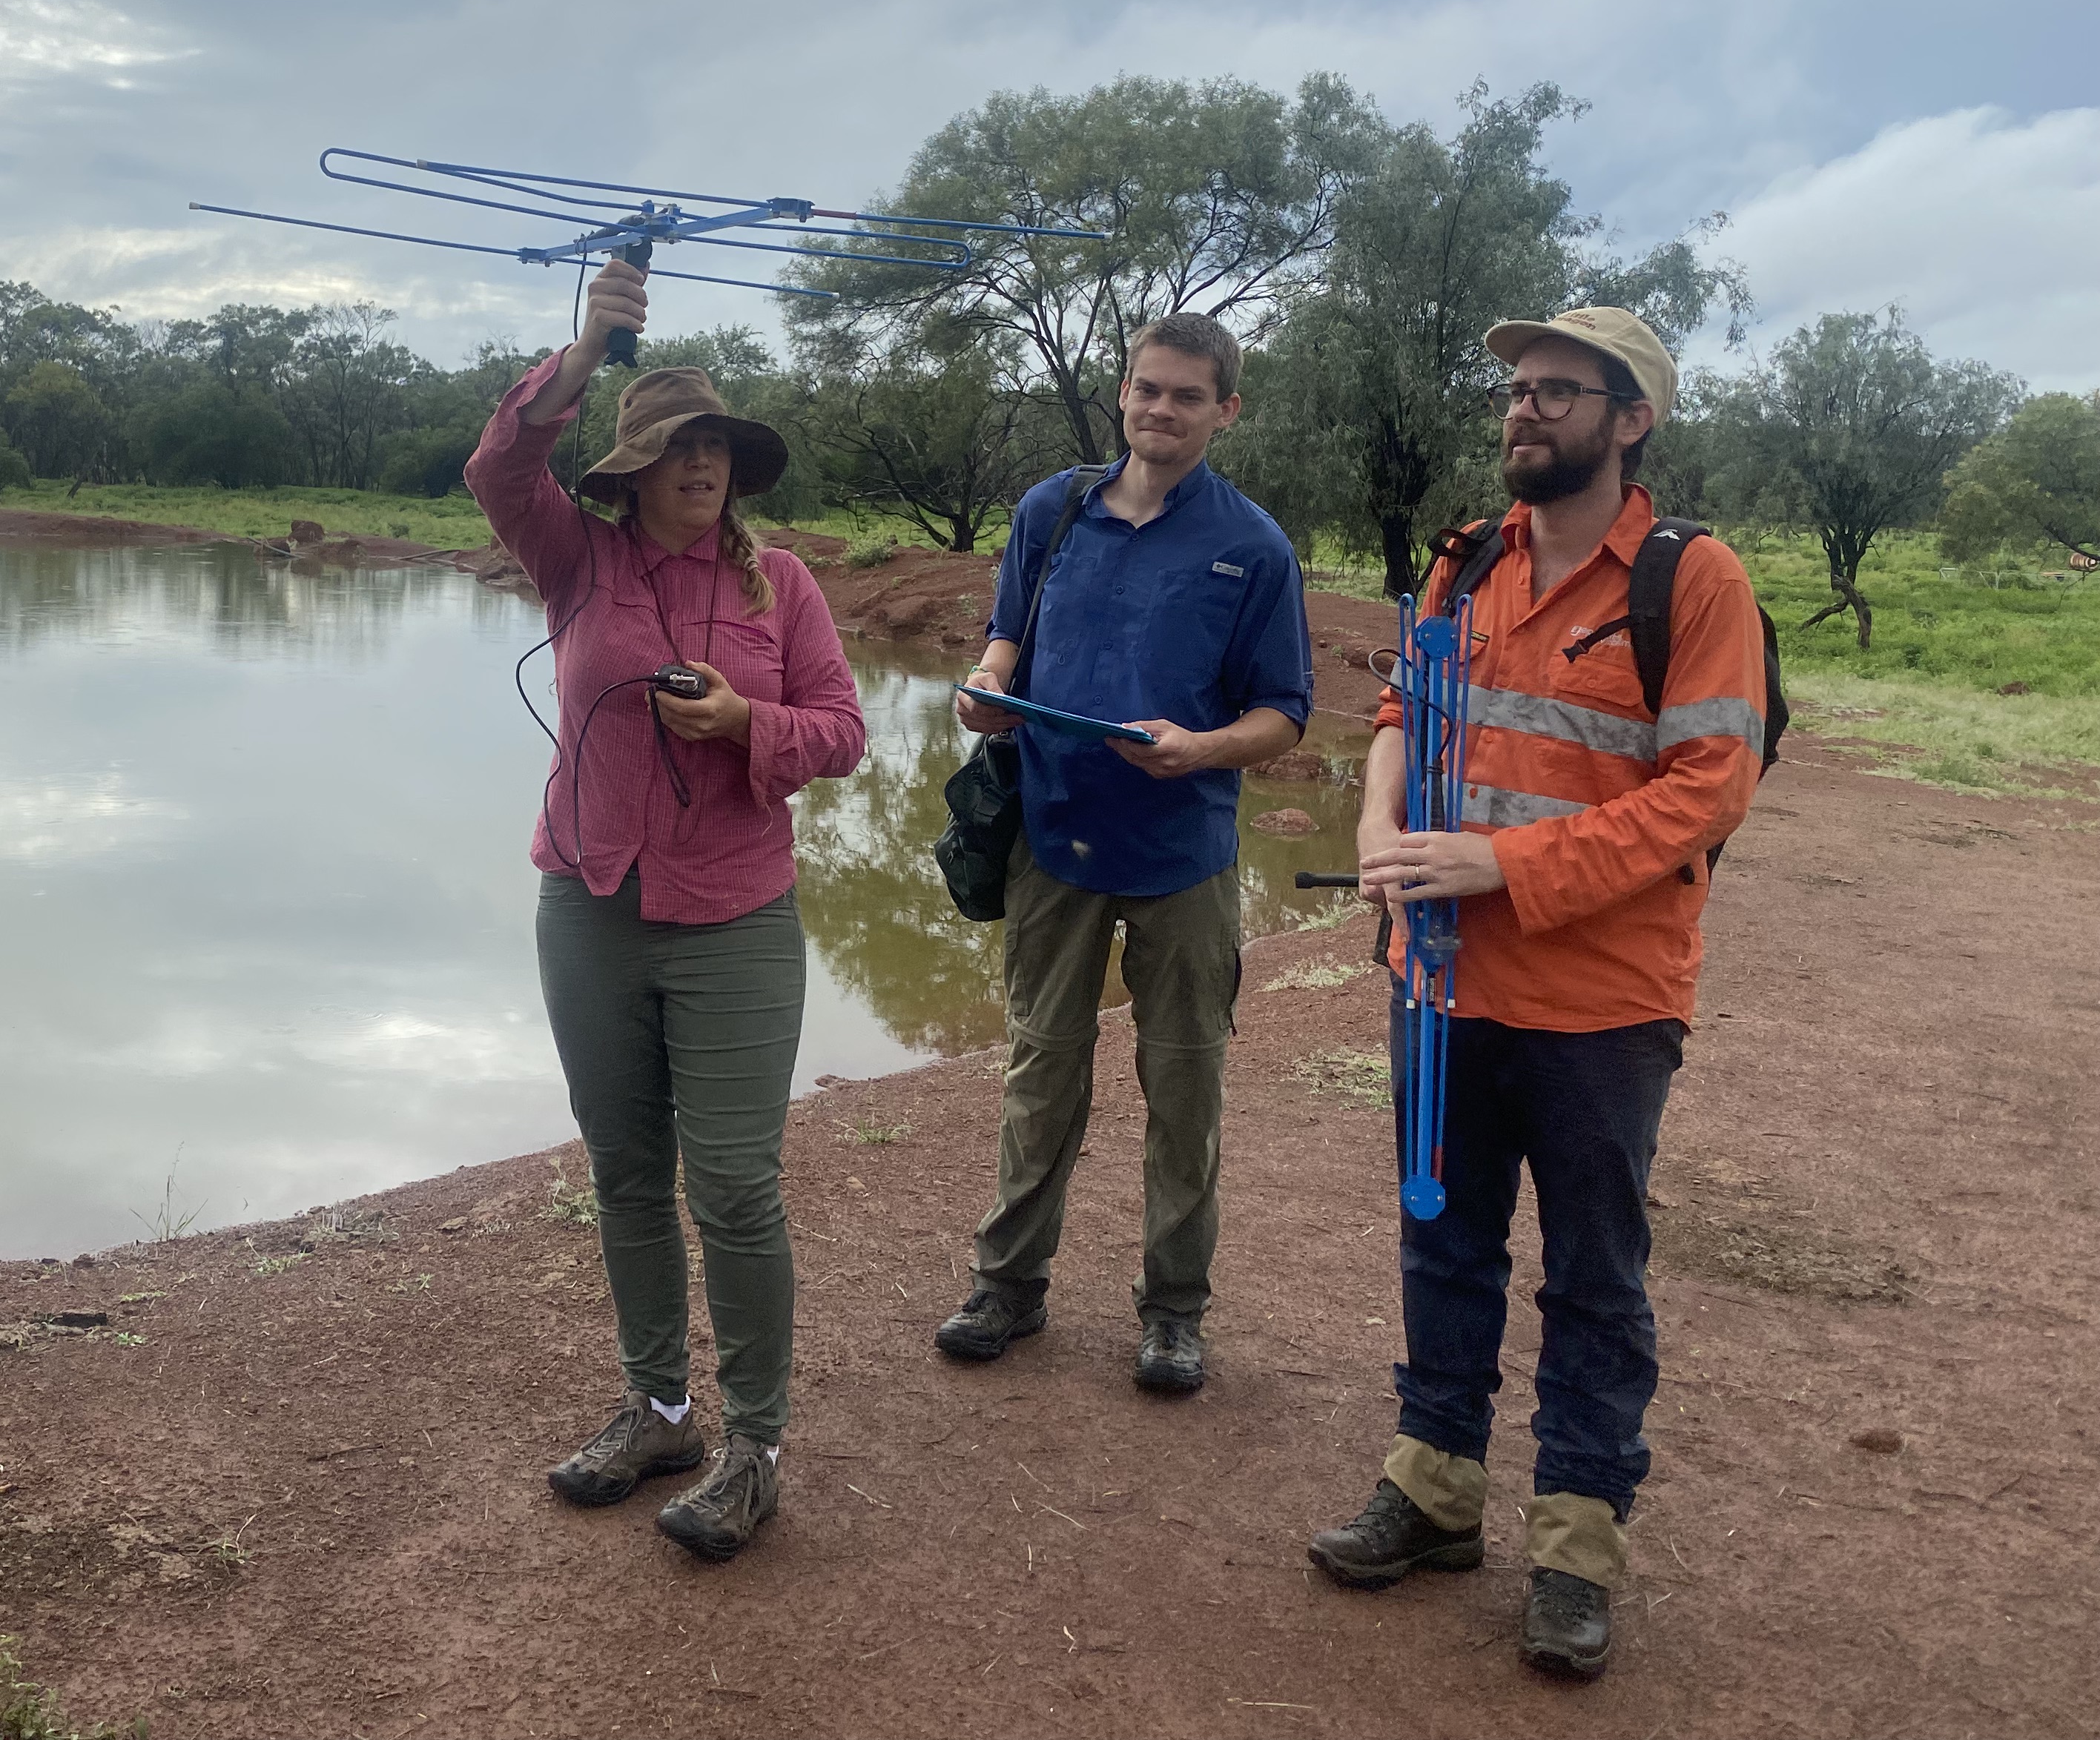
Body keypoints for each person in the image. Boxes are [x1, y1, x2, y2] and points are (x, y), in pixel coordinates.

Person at [1306, 306, 1769, 1681]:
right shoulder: (1465, 558)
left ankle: (1575, 1546)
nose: (1526, 411)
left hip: (1604, 1002)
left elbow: (1707, 791)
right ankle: (1437, 1490)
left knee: (1595, 1278)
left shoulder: (1695, 583)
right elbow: (1403, 714)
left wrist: (1497, 863)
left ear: (1633, 422)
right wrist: (1382, 828)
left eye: (1561, 392)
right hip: (1440, 981)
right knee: (1443, 1238)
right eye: (1518, 389)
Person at [462, 257, 866, 1561]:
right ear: (631, 471)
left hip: (735, 913)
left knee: (736, 1184)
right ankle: (658, 1407)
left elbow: (847, 736)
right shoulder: (576, 560)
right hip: (586, 902)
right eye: (677, 447)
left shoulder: (781, 588)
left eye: (718, 447)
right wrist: (584, 352)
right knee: (628, 1172)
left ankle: (754, 1444)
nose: (702, 464)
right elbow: (498, 473)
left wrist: (751, 722)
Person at [934, 314, 1314, 1394]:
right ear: (1122, 393)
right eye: (1148, 389)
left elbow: (1284, 712)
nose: (1162, 409)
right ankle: (1008, 1287)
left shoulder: (1255, 548)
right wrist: (986, 686)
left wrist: (1202, 750)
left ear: (1224, 411)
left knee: (1183, 1086)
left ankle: (1173, 1314)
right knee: (1040, 1069)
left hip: (1182, 851)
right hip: (1052, 835)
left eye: (1188, 396)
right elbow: (1008, 633)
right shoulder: (1051, 511)